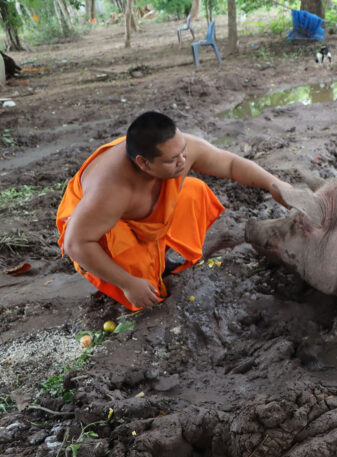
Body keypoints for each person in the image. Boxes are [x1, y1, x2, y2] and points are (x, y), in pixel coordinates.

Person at [56, 110, 291, 311]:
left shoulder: (179, 151)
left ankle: (161, 258)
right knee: (145, 287)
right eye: (172, 159)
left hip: (138, 212)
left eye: (184, 152)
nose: (183, 161)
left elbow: (230, 164)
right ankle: (127, 276)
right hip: (99, 226)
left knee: (193, 190)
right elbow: (76, 243)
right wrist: (127, 283)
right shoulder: (110, 191)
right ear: (143, 163)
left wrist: (276, 185)